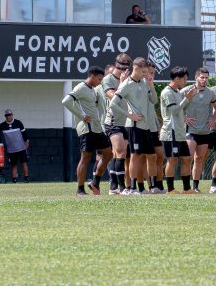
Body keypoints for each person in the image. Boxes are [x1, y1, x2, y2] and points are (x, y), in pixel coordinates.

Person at [110, 57, 159, 194]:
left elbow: (154, 100)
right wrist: (129, 115)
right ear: (136, 68)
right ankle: (131, 188)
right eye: (144, 72)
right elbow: (113, 104)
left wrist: (151, 85)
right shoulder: (126, 84)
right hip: (133, 126)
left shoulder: (144, 83)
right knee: (135, 156)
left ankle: (153, 187)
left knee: (151, 155)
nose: (146, 74)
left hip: (146, 126)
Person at [63, 66, 113, 196]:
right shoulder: (80, 87)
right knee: (85, 157)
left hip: (96, 127)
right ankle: (80, 189)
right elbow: (66, 101)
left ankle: (95, 182)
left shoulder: (93, 90)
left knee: (108, 153)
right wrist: (81, 115)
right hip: (87, 128)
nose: (100, 82)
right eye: (99, 79)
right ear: (92, 75)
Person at [159, 66, 197, 193]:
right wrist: (187, 98)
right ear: (176, 78)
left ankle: (186, 188)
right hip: (171, 132)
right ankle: (170, 189)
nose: (185, 81)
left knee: (187, 158)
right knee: (172, 160)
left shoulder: (176, 92)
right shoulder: (167, 92)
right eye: (184, 79)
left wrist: (188, 98)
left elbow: (181, 110)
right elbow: (174, 111)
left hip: (180, 132)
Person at [183, 67, 216, 193]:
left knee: (199, 159)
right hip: (190, 131)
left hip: (204, 131)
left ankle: (195, 187)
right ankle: (186, 186)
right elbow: (176, 106)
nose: (204, 80)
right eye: (202, 77)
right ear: (196, 77)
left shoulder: (210, 93)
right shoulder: (187, 90)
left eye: (207, 78)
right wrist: (184, 117)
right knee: (188, 158)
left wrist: (213, 119)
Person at [102, 53, 132, 194]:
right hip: (112, 121)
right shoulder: (107, 79)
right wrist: (121, 83)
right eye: (121, 68)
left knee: (120, 154)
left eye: (126, 68)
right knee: (120, 153)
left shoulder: (128, 80)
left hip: (124, 121)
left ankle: (113, 187)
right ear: (116, 65)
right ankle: (122, 187)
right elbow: (113, 97)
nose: (124, 71)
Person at [0, 109, 30, 183]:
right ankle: (14, 180)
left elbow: (24, 134)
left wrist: (27, 142)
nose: (8, 117)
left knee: (24, 163)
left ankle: (26, 179)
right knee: (14, 165)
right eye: (6, 116)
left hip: (21, 148)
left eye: (9, 115)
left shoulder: (18, 123)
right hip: (11, 150)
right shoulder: (3, 125)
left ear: (12, 115)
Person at [145, 64, 165, 193]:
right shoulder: (137, 86)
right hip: (142, 127)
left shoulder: (150, 86)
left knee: (160, 155)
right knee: (149, 157)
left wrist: (157, 126)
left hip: (153, 127)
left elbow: (154, 103)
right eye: (149, 72)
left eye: (153, 73)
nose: (152, 75)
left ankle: (159, 185)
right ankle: (150, 185)